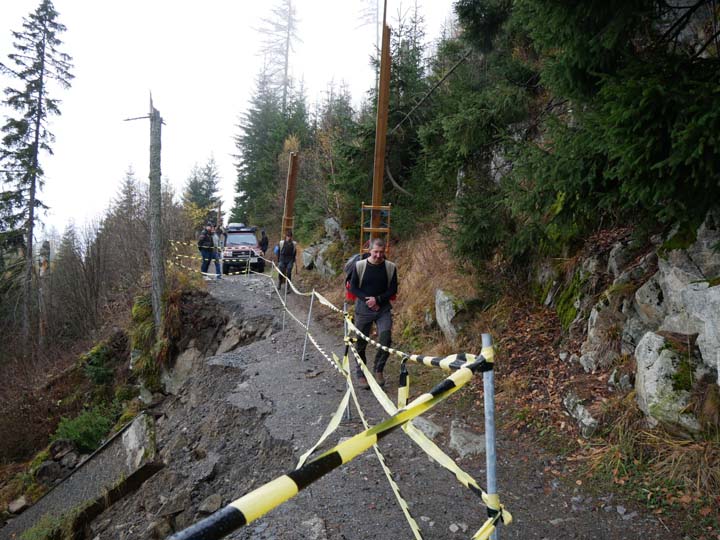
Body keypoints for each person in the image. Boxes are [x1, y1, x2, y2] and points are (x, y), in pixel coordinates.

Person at [348, 237, 397, 389]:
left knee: (386, 338)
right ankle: (361, 373)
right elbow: (352, 287)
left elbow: (393, 289)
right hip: (363, 309)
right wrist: (367, 299)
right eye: (375, 252)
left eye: (381, 252)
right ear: (370, 251)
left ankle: (378, 369)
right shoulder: (359, 266)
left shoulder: (390, 267)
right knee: (361, 343)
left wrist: (377, 299)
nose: (378, 255)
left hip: (383, 308)